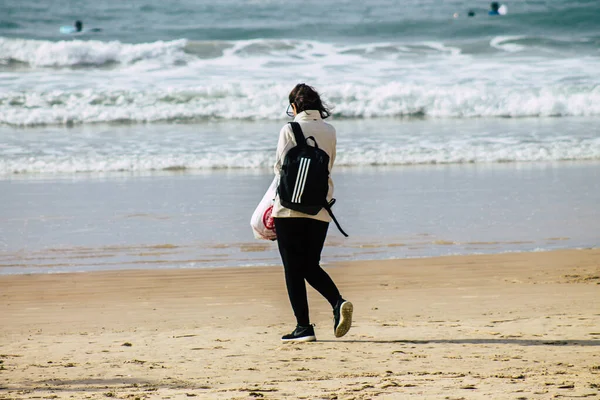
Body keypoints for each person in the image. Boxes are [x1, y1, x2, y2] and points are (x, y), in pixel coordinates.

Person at [273, 83, 353, 343]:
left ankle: (303, 327)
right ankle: (337, 301)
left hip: (288, 208)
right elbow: (328, 164)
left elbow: (279, 169)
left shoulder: (289, 129)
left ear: (294, 106)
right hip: (320, 208)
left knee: (292, 268)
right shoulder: (330, 131)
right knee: (309, 264)